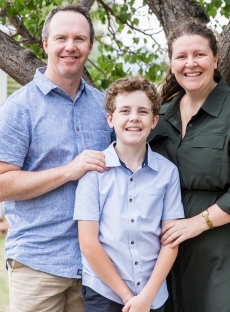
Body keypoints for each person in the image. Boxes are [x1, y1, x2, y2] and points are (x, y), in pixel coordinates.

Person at [0, 5, 114, 312]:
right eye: (61, 38)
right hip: (37, 263)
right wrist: (69, 171)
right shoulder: (18, 109)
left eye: (79, 39)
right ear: (45, 44)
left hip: (95, 266)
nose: (70, 46)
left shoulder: (105, 107)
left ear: (90, 46)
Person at [148, 21, 230, 312]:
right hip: (173, 255)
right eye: (181, 56)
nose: (190, 63)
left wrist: (197, 223)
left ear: (216, 59)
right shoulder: (160, 116)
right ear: (171, 63)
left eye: (199, 55)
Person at [74, 76, 185, 312]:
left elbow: (171, 241)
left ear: (154, 120)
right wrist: (128, 297)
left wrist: (146, 297)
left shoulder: (168, 173)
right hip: (104, 293)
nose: (134, 118)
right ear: (110, 119)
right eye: (125, 111)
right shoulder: (94, 173)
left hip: (153, 295)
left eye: (142, 111)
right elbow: (88, 242)